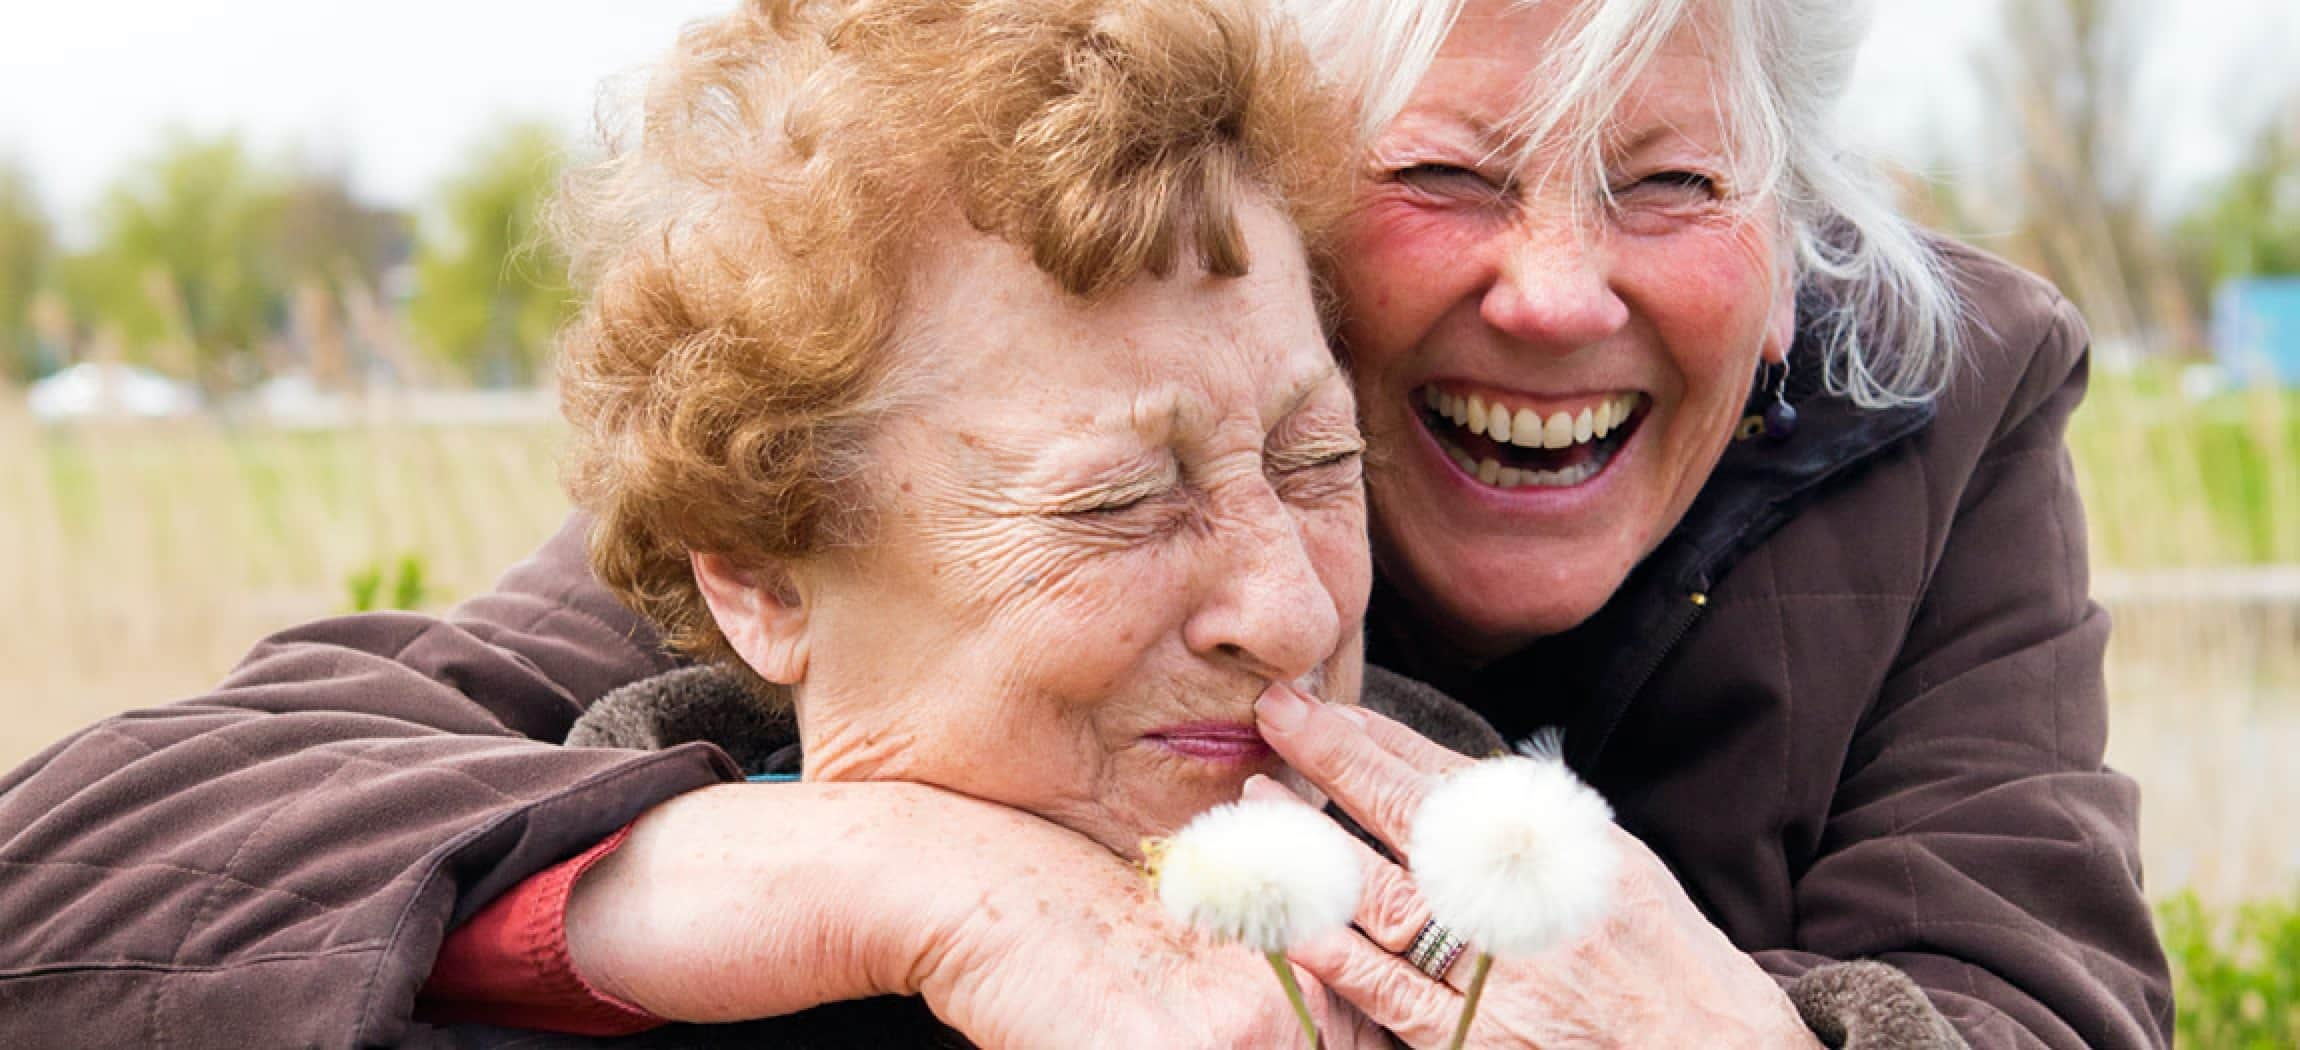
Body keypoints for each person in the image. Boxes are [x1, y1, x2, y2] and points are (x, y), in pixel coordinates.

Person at [0, 0, 2170, 1047]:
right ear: (1277, 228)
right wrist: (881, 870)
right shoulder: (987, 365)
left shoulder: (1946, 399)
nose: (1555, 288)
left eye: (1673, 181)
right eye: (1442, 176)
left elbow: (2047, 994)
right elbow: (98, 863)